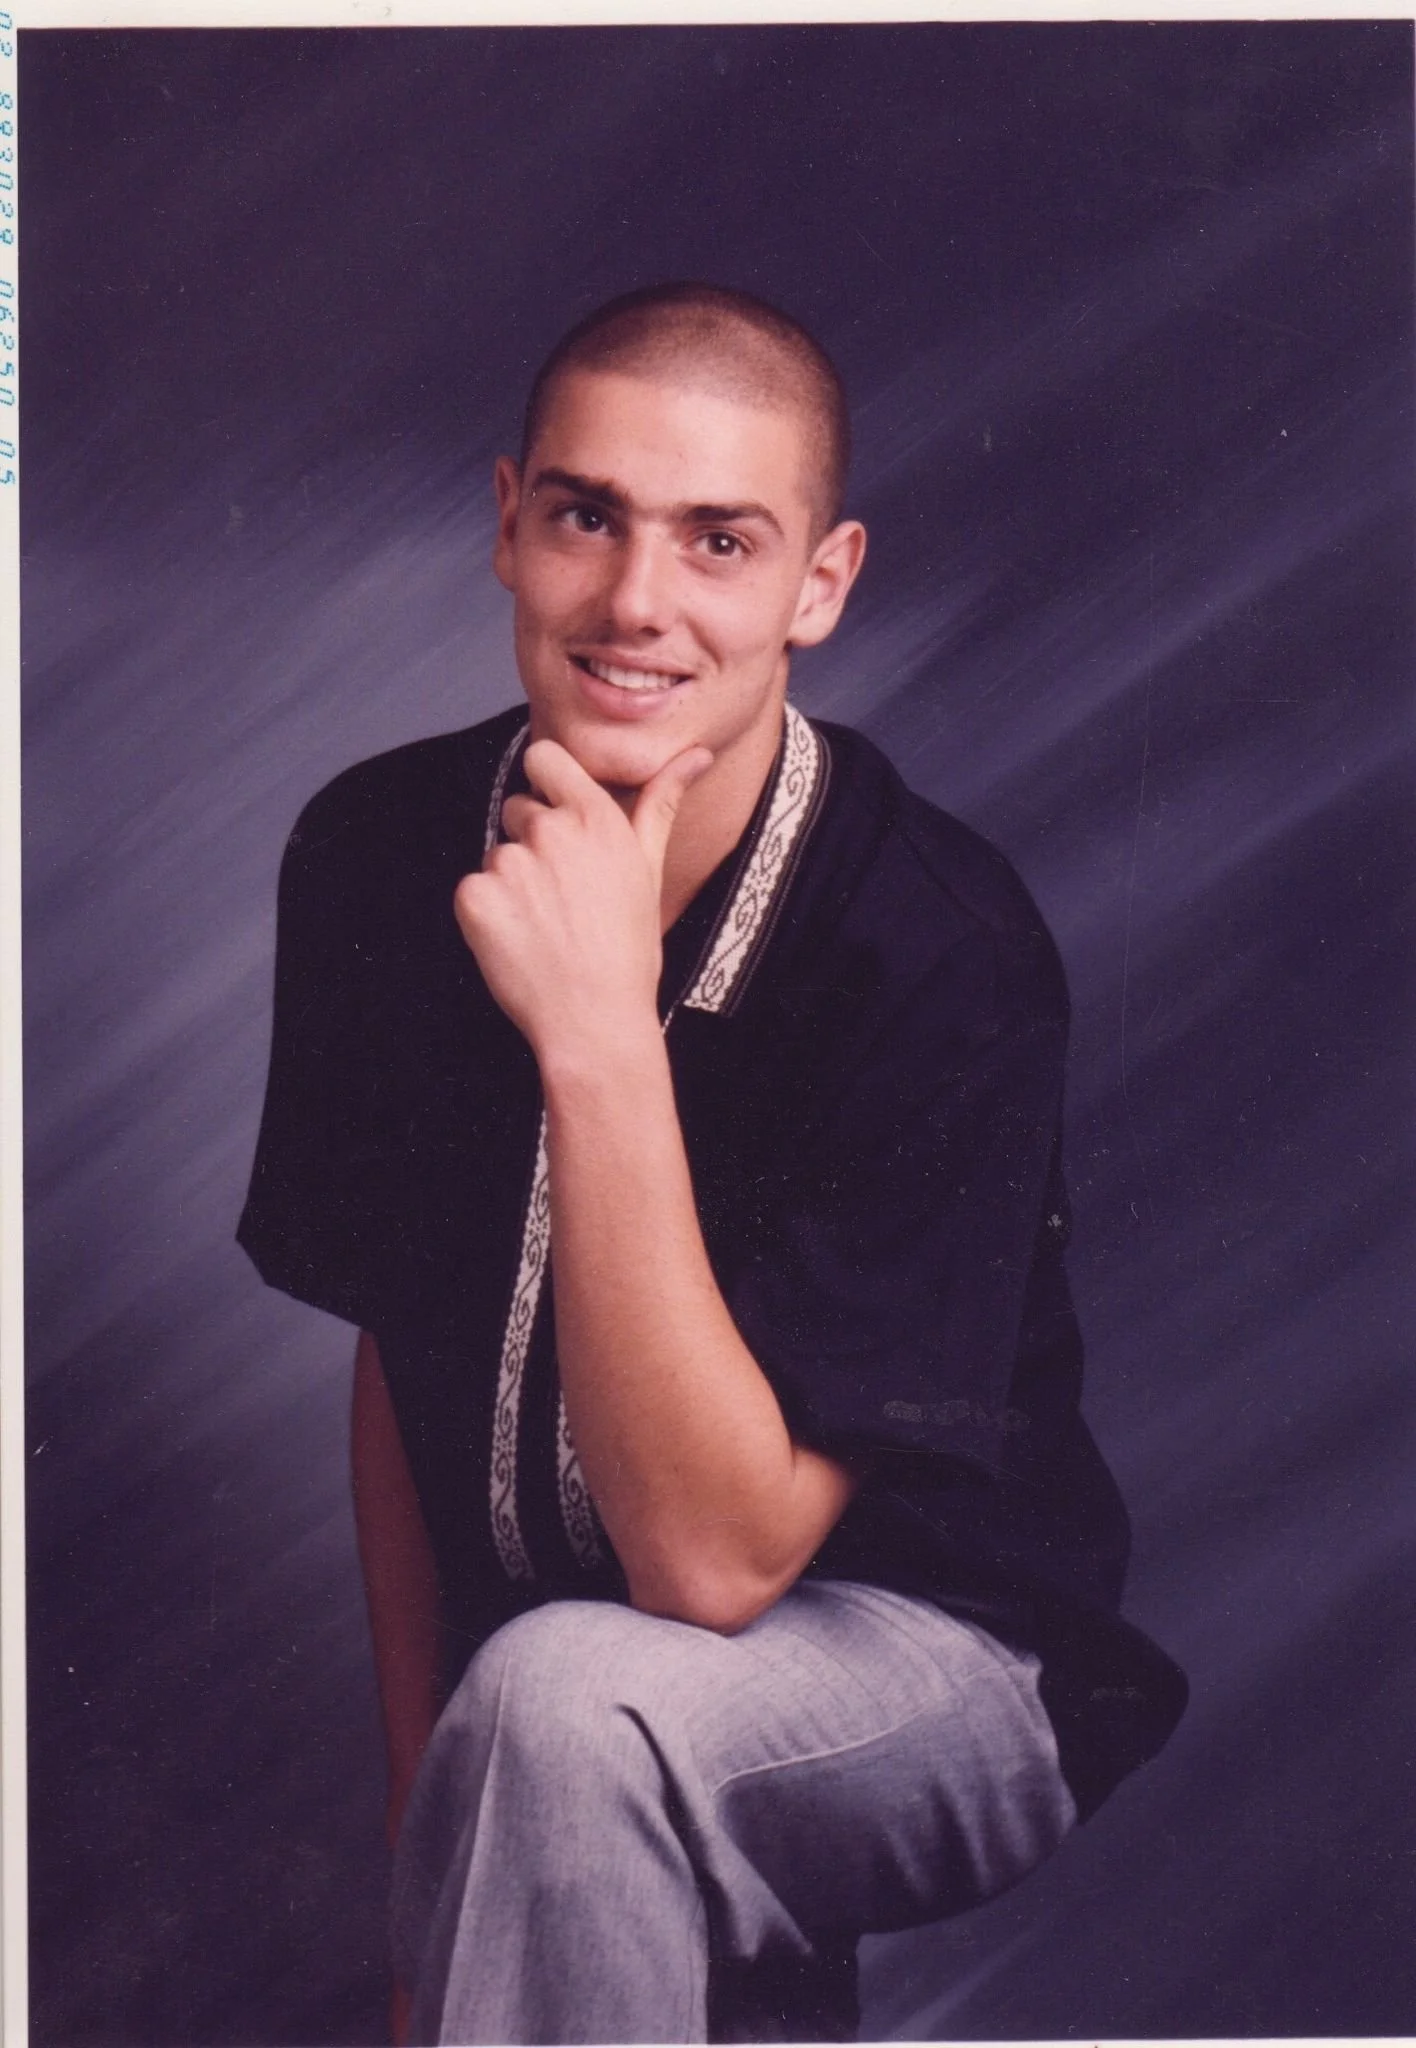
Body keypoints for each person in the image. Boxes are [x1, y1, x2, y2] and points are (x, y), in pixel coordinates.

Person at [238, 282, 1187, 2045]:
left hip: (939, 1660)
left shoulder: (934, 945)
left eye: (720, 541)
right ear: (507, 522)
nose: (636, 604)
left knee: (566, 1701)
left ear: (819, 586)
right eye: (586, 515)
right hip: (575, 1700)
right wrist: (415, 1840)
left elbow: (713, 1569)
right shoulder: (373, 854)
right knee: (549, 1732)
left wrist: (599, 1034)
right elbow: (402, 1363)